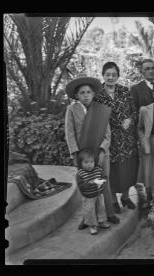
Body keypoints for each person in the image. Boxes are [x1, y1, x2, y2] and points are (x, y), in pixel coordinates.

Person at [64, 74, 120, 227]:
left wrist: (103, 150)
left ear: (94, 94)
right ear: (76, 95)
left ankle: (109, 214)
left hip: (101, 154)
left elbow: (107, 133)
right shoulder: (72, 109)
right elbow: (70, 133)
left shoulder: (101, 110)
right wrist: (75, 154)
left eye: (88, 92)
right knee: (86, 185)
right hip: (84, 156)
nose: (86, 95)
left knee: (103, 182)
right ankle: (87, 218)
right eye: (82, 93)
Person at [93, 62, 138, 214]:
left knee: (128, 170)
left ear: (118, 76)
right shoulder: (98, 95)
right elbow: (96, 118)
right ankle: (113, 200)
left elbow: (134, 111)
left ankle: (125, 197)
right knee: (113, 171)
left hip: (127, 139)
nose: (111, 77)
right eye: (108, 74)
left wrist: (130, 120)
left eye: (114, 74)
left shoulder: (125, 91)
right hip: (110, 139)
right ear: (103, 75)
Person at [76, 148, 111, 235]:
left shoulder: (97, 169)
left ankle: (101, 221)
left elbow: (102, 177)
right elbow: (81, 185)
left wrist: (102, 182)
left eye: (91, 162)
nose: (89, 165)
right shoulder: (81, 173)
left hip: (99, 194)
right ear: (81, 163)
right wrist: (91, 183)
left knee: (101, 208)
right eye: (86, 162)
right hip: (88, 196)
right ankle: (92, 225)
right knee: (90, 210)